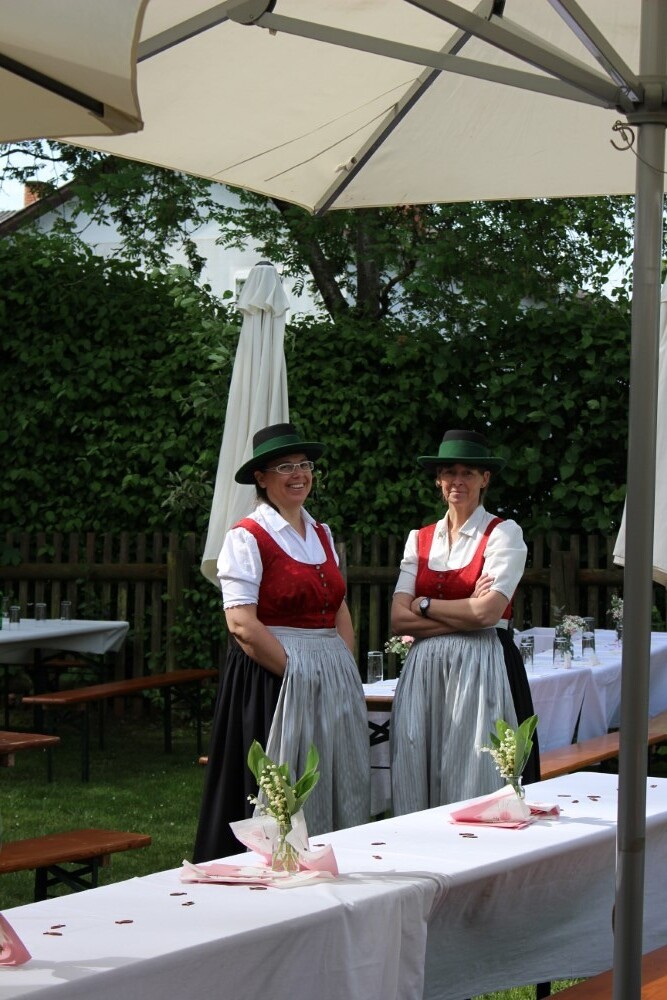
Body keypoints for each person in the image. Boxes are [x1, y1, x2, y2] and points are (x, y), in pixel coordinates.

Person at [194, 423, 370, 861]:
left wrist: (342, 665)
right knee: (278, 782)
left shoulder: (321, 532)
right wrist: (298, 672)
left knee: (330, 773)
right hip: (270, 680)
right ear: (261, 478)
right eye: (285, 467)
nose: (299, 474)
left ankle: (326, 860)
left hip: (327, 677)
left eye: (304, 465)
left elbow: (339, 606)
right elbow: (241, 624)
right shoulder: (246, 536)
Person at [390, 428, 539, 815]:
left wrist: (424, 604)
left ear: (484, 479)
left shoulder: (503, 534)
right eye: (449, 472)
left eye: (468, 473)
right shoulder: (419, 539)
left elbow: (488, 613)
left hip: (483, 664)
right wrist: (465, 608)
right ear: (439, 480)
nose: (458, 480)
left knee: (478, 769)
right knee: (418, 767)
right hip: (424, 673)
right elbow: (398, 619)